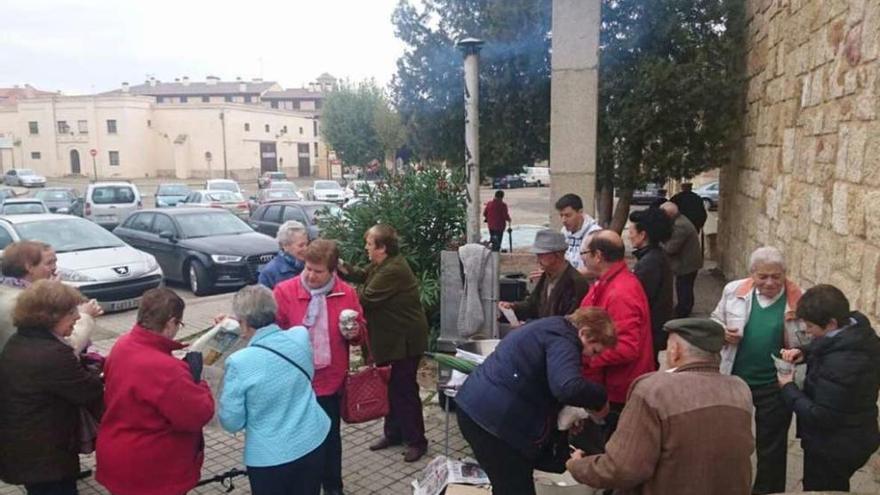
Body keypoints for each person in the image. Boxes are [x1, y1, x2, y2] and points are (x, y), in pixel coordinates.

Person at [567, 318, 755, 495]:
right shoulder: (740, 389)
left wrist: (577, 466)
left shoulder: (653, 390)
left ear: (675, 351)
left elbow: (622, 468)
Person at [455, 308, 617, 495]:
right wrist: (600, 399)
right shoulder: (564, 339)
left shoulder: (551, 325)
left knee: (506, 483)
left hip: (476, 407)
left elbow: (542, 379)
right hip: (492, 422)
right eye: (594, 351)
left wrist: (565, 414)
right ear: (585, 333)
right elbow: (567, 387)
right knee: (515, 487)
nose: (592, 358)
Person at [96, 288, 215, 495]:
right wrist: (201, 384)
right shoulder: (166, 369)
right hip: (152, 470)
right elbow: (196, 415)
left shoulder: (123, 344)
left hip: (118, 455)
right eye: (179, 324)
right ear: (170, 323)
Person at [274, 239, 366, 495]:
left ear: (333, 270)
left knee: (329, 439)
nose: (311, 276)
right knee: (298, 439)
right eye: (308, 269)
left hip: (330, 381)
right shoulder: (285, 291)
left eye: (318, 271)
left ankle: (333, 487)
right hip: (295, 380)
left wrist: (355, 333)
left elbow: (360, 335)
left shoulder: (346, 293)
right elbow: (272, 333)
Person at [710, 246, 804, 494]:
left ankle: (766, 490)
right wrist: (721, 332)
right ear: (752, 274)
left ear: (785, 273)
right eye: (763, 277)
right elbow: (715, 319)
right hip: (735, 380)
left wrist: (799, 353)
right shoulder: (734, 291)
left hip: (775, 385)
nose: (770, 282)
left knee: (772, 446)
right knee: (729, 440)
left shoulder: (798, 299)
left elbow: (808, 340)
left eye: (776, 276)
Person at [220, 285, 330, 495]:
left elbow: (231, 421)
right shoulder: (300, 335)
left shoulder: (239, 362)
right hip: (313, 439)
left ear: (244, 322)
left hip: (271, 457)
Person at [0, 280, 103, 495]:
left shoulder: (19, 341)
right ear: (50, 316)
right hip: (45, 456)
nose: (77, 317)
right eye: (71, 311)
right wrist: (98, 373)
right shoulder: (52, 354)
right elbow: (87, 392)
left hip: (26, 449)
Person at [338, 224, 429, 462]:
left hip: (404, 341)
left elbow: (365, 298)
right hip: (390, 340)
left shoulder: (394, 270)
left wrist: (339, 293)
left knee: (404, 390)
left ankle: (417, 441)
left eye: (369, 244)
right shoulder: (384, 264)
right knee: (390, 387)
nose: (366, 248)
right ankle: (394, 434)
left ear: (382, 248)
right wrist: (339, 266)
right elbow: (362, 275)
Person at [777, 284, 880, 492]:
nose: (806, 330)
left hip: (833, 447)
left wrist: (788, 387)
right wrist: (804, 352)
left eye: (811, 326)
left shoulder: (841, 365)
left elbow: (821, 415)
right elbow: (832, 344)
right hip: (857, 434)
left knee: (824, 488)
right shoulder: (857, 331)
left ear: (831, 323)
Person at [579, 230, 655, 430]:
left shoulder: (621, 292)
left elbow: (628, 347)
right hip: (611, 386)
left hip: (618, 392)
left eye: (584, 254)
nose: (582, 259)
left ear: (598, 256)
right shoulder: (607, 283)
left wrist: (587, 358)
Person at [0, 241, 102, 353]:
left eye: (55, 262)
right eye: (49, 263)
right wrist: (85, 316)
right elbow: (63, 348)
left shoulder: (7, 291)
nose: (54, 268)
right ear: (29, 267)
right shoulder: (24, 303)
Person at [498, 230, 589, 322]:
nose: (538, 260)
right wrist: (514, 307)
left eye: (541, 255)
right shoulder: (547, 276)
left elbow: (566, 320)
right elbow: (533, 304)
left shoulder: (574, 282)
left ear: (557, 255)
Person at [627, 207, 674, 367]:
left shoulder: (650, 263)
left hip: (649, 332)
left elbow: (639, 298)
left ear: (643, 234)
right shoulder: (654, 256)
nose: (629, 235)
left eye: (631, 231)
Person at [659, 201, 703, 318]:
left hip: (687, 263)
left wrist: (658, 243)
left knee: (684, 288)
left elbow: (670, 248)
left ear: (669, 214)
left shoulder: (680, 225)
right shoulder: (680, 221)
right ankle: (684, 308)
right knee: (685, 287)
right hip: (688, 261)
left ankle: (683, 311)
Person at [555, 194, 601, 271]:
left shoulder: (595, 233)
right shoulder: (564, 231)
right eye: (561, 215)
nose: (563, 220)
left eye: (568, 215)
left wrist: (567, 276)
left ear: (580, 212)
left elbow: (598, 269)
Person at [259, 220, 309, 289]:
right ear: (285, 246)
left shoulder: (310, 267)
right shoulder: (269, 273)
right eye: (301, 245)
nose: (306, 249)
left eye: (307, 244)